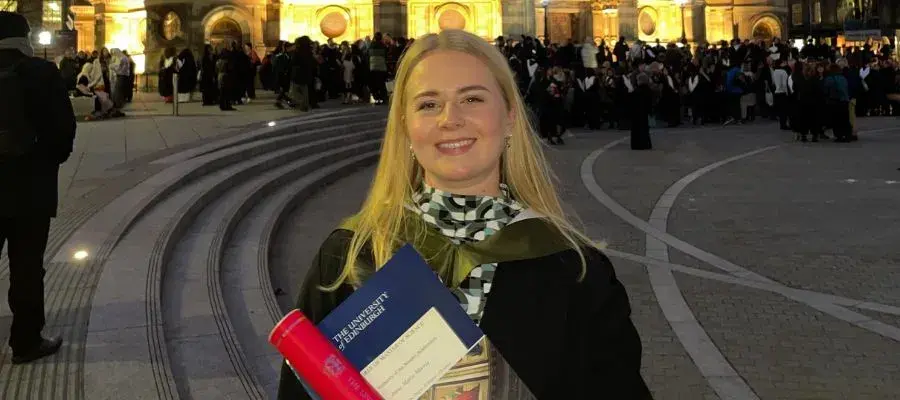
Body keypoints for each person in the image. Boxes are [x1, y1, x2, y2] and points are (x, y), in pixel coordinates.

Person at [276, 29, 651, 399]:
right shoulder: (350, 258)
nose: (449, 119)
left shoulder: (575, 269)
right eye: (428, 104)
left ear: (509, 118)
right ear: (405, 129)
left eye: (472, 99)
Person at [0, 11, 76, 364]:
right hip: (30, 191)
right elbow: (63, 136)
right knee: (27, 267)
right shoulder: (41, 73)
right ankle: (26, 341)